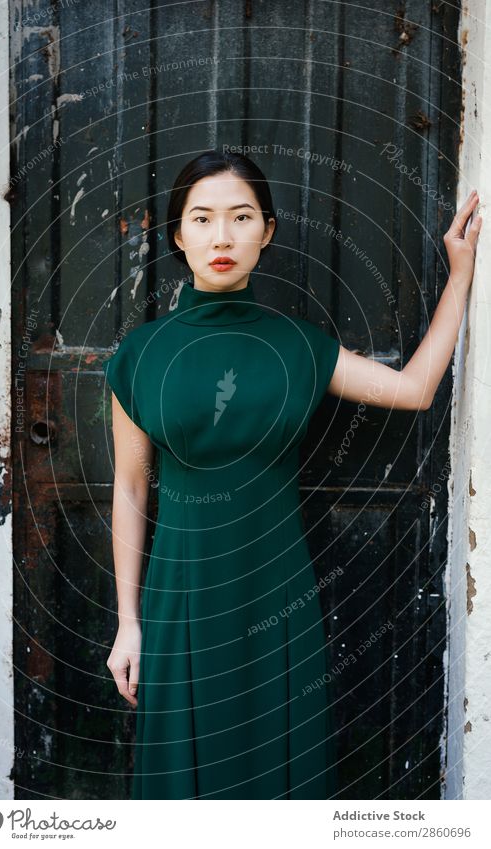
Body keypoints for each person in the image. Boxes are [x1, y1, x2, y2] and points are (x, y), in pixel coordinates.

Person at [102, 149, 481, 799]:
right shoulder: (139, 356)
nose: (221, 236)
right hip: (178, 604)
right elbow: (131, 486)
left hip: (278, 601)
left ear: (267, 230)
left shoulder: (299, 345)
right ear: (176, 234)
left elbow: (416, 389)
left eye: (241, 216)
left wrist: (461, 274)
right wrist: (127, 622)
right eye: (202, 218)